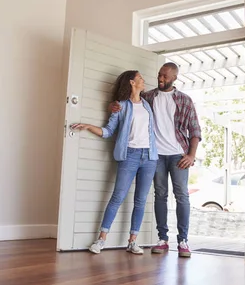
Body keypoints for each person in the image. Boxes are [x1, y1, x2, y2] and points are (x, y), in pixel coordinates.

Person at [109, 62, 201, 258]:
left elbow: (194, 130)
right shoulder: (149, 97)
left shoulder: (184, 100)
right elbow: (128, 103)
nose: (161, 79)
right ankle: (163, 239)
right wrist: (114, 106)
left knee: (181, 195)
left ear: (174, 78)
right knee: (160, 195)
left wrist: (191, 155)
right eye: (159, 74)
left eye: (165, 76)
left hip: (178, 155)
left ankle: (183, 240)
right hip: (155, 155)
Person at [71, 70, 158, 255]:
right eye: (140, 78)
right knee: (117, 197)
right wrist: (88, 126)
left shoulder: (147, 105)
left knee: (141, 201)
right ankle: (101, 239)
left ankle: (133, 242)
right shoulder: (121, 106)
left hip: (149, 157)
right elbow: (108, 131)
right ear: (132, 83)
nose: (144, 80)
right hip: (130, 155)